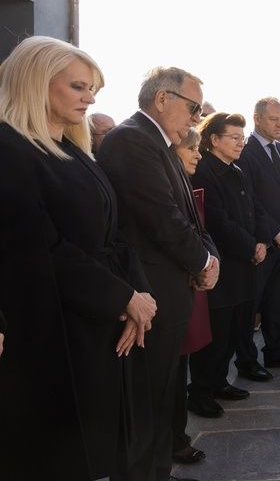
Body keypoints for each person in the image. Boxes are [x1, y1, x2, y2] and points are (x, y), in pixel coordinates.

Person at [0, 36, 157, 481]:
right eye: (78, 86)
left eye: (93, 89)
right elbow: (38, 247)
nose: (89, 98)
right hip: (55, 328)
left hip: (98, 320)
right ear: (35, 82)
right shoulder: (9, 148)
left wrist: (138, 295)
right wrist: (122, 298)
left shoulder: (74, 150)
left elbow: (115, 232)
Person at [96, 64, 220, 481]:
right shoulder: (131, 140)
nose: (197, 118)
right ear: (162, 98)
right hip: (147, 297)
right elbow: (162, 219)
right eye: (194, 108)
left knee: (163, 401)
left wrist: (209, 258)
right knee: (143, 408)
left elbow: (191, 217)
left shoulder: (162, 144)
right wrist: (203, 263)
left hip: (171, 295)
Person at [186, 113, 266, 421]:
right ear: (214, 139)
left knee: (234, 330)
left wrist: (261, 242)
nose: (240, 143)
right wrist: (250, 246)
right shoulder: (204, 171)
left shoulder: (237, 169)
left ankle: (219, 382)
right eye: (233, 137)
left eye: (242, 138)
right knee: (215, 335)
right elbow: (217, 221)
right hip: (222, 266)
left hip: (244, 265)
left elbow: (252, 210)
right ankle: (200, 393)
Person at [234, 97, 280, 374]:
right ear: (257, 119)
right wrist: (275, 233)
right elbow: (250, 200)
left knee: (278, 302)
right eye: (273, 119)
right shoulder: (245, 152)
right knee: (251, 304)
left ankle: (276, 352)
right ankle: (246, 361)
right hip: (261, 244)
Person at [171, 128, 212, 465]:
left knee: (179, 368)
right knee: (169, 375)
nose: (198, 154)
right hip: (171, 287)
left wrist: (210, 260)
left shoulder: (185, 180)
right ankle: (171, 441)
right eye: (191, 148)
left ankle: (177, 436)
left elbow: (201, 230)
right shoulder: (164, 184)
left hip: (191, 282)